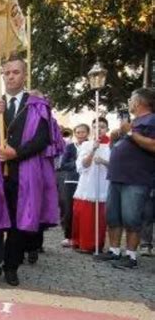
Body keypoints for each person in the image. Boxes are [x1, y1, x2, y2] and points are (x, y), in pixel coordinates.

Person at [0, 55, 62, 290]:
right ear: (3, 76)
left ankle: (11, 267)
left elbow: (43, 140)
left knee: (17, 225)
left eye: (16, 72)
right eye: (7, 73)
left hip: (24, 175)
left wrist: (16, 153)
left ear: (24, 75)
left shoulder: (37, 106)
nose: (11, 76)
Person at [99, 88, 155, 269]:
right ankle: (114, 251)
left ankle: (131, 256)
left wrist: (130, 133)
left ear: (139, 102)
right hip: (117, 176)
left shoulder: (151, 120)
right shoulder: (133, 122)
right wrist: (117, 137)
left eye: (131, 98)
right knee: (113, 216)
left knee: (132, 218)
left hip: (136, 178)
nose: (129, 102)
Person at [71, 118, 110, 253]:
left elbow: (117, 167)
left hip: (103, 185)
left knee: (99, 219)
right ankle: (82, 243)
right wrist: (93, 150)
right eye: (95, 127)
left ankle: (97, 244)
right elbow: (82, 166)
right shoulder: (86, 145)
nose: (98, 130)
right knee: (84, 216)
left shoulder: (112, 145)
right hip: (87, 185)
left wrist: (104, 162)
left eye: (102, 127)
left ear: (107, 129)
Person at [60, 123, 90, 247]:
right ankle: (68, 236)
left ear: (88, 133)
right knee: (69, 210)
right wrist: (77, 162)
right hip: (71, 181)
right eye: (78, 132)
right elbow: (63, 165)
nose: (80, 135)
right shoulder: (70, 147)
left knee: (84, 210)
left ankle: (82, 237)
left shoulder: (91, 146)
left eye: (83, 132)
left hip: (87, 181)